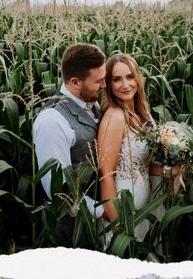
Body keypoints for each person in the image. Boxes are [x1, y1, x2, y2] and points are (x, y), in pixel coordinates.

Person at [32, 43, 107, 248]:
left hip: (97, 222)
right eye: (98, 81)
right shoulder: (52, 121)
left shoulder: (90, 102)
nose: (104, 85)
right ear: (75, 82)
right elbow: (58, 191)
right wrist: (103, 211)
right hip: (72, 232)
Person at [97, 53, 169, 245]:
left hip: (145, 208)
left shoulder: (142, 114)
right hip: (124, 211)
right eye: (117, 79)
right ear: (108, 84)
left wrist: (170, 172)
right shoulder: (115, 117)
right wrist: (118, 225)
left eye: (130, 77)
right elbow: (106, 174)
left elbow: (141, 164)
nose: (125, 84)